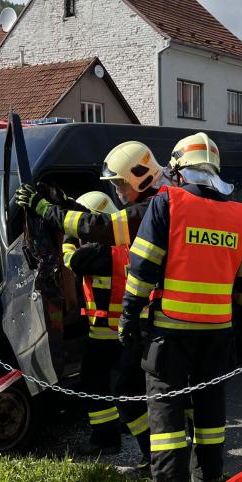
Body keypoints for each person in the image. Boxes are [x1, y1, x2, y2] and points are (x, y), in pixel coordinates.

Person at [118, 132, 242, 482]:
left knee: (166, 402)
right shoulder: (239, 214)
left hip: (171, 329)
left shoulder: (168, 202)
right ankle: (209, 476)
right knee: (210, 404)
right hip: (219, 332)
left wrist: (129, 314)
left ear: (179, 170)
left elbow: (143, 265)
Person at [62, 191, 150, 464]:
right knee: (127, 388)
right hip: (129, 331)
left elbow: (72, 261)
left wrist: (68, 237)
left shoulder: (97, 250)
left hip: (104, 333)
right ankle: (128, 434)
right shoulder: (127, 244)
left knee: (95, 383)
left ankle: (106, 439)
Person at [15, 141, 167, 248]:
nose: (117, 190)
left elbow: (101, 227)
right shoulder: (158, 203)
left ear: (141, 178)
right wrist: (68, 205)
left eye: (120, 183)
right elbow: (102, 222)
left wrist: (45, 210)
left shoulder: (153, 210)